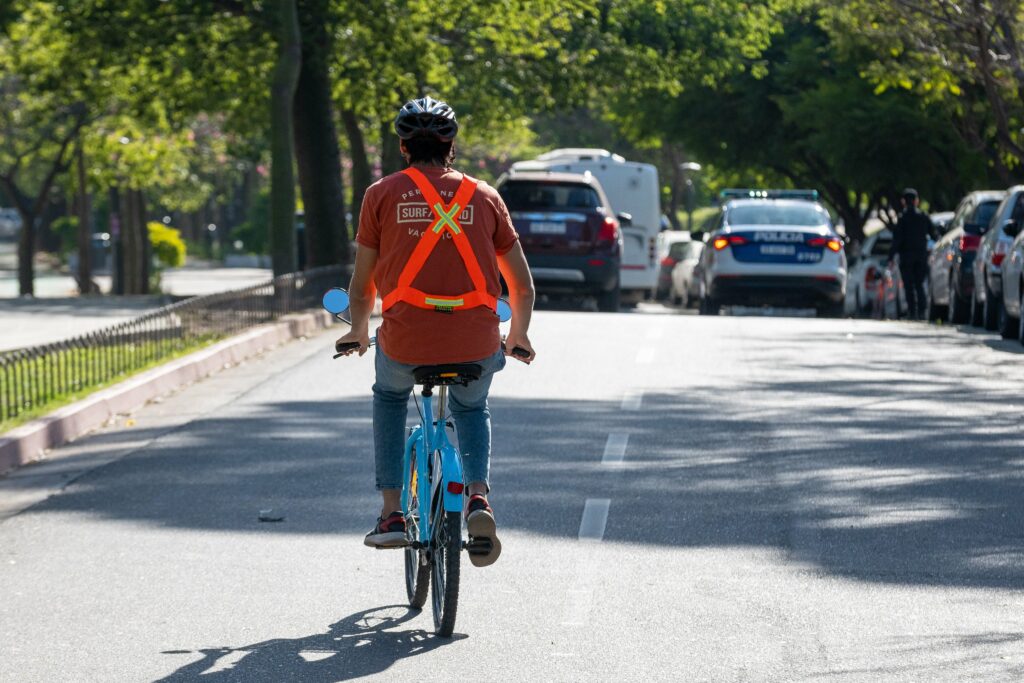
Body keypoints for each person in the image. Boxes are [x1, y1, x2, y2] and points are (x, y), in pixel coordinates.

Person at [335, 96, 536, 567]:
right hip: (476, 341)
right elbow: (521, 286)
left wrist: (359, 331)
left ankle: (390, 515)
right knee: (472, 405)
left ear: (404, 147)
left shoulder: (381, 195)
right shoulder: (485, 197)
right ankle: (478, 498)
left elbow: (362, 288)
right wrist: (519, 336)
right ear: (451, 146)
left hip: (406, 342)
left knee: (389, 397)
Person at [888, 188, 932, 320]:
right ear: (916, 201)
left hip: (906, 257)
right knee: (919, 284)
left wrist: (890, 257)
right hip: (921, 256)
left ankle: (912, 312)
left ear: (903, 202)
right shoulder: (923, 217)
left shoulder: (902, 219)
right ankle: (922, 312)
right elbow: (934, 234)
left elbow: (897, 240)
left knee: (909, 286)